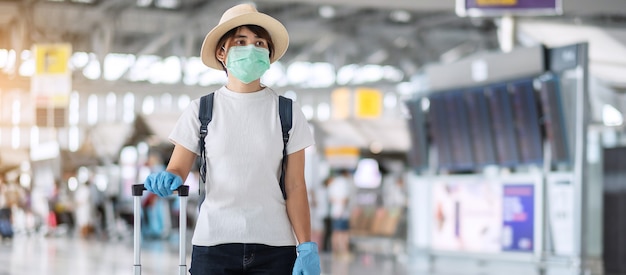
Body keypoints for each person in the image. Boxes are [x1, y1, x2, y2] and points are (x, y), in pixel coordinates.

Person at [144, 4, 320, 275]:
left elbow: (296, 185)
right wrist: (169, 178)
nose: (251, 48)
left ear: (269, 54)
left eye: (259, 42)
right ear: (222, 53)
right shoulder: (201, 110)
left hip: (275, 247)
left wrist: (306, 245)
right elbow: (178, 168)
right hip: (214, 245)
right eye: (241, 41)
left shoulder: (287, 112)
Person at [327, 169, 353, 260]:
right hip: (342, 213)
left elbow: (330, 198)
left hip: (335, 212)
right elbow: (345, 199)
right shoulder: (344, 183)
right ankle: (344, 252)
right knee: (344, 233)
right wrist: (341, 210)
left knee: (336, 232)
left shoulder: (334, 183)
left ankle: (335, 253)